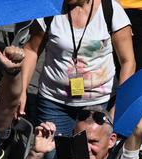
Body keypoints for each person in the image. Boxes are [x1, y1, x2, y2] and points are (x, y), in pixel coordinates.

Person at [19, 0, 134, 135]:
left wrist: (120, 105)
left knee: (89, 154)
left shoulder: (111, 10)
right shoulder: (50, 9)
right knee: (51, 154)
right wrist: (21, 90)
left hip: (99, 104)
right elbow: (31, 50)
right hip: (53, 103)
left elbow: (128, 62)